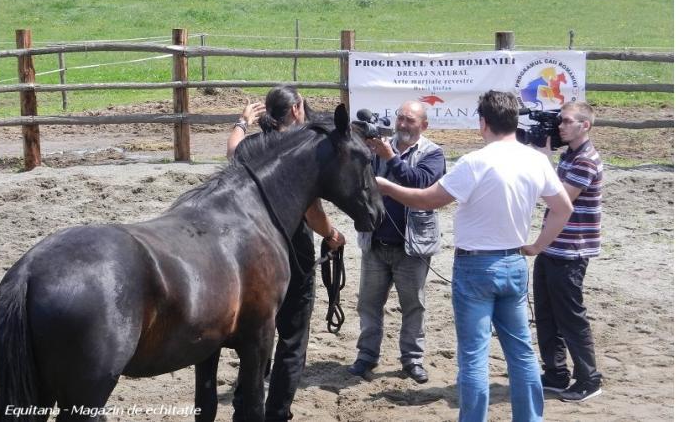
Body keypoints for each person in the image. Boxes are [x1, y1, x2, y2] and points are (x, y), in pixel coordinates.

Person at [374, 90, 573, 422]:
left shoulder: (475, 162)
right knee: (521, 352)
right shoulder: (536, 160)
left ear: (483, 123)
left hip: (475, 265)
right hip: (513, 261)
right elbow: (562, 208)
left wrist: (387, 185)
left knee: (473, 356)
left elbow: (426, 200)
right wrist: (538, 245)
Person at [227, 85, 346, 422]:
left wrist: (241, 122)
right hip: (291, 254)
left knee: (254, 338)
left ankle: (245, 407)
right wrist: (332, 234)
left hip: (250, 253)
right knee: (292, 338)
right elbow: (312, 210)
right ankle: (277, 412)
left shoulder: (252, 146)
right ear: (296, 110)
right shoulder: (298, 151)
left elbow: (232, 150)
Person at [347, 100, 446, 384]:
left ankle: (412, 359)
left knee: (413, 305)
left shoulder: (433, 153)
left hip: (412, 246)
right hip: (376, 242)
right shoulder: (377, 146)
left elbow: (420, 182)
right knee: (368, 304)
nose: (402, 124)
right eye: (400, 118)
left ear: (423, 125)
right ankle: (366, 356)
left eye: (410, 120)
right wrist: (359, 143)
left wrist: (390, 157)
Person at [532, 101, 604, 402]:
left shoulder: (585, 160)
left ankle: (589, 378)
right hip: (553, 247)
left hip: (571, 252)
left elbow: (559, 199)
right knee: (546, 314)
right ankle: (556, 372)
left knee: (570, 317)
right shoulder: (570, 156)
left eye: (566, 121)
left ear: (584, 125)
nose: (560, 126)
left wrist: (543, 162)